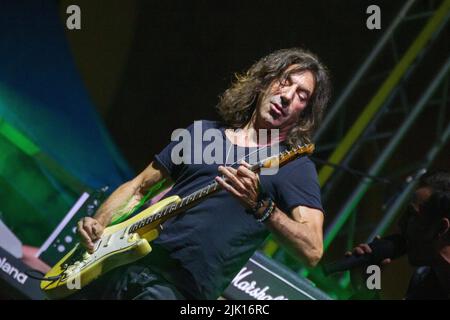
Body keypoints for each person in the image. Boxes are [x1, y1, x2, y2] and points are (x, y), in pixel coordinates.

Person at [75, 48, 331, 300]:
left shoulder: (293, 166)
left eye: (301, 95)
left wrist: (262, 207)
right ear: (264, 82)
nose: (287, 96)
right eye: (284, 82)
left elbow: (312, 249)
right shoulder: (202, 133)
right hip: (119, 265)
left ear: (304, 114)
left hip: (177, 290)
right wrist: (99, 224)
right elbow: (139, 187)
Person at [346, 170, 450, 299]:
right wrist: (368, 289)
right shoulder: (424, 280)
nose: (401, 223)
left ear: (441, 228)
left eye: (412, 215)